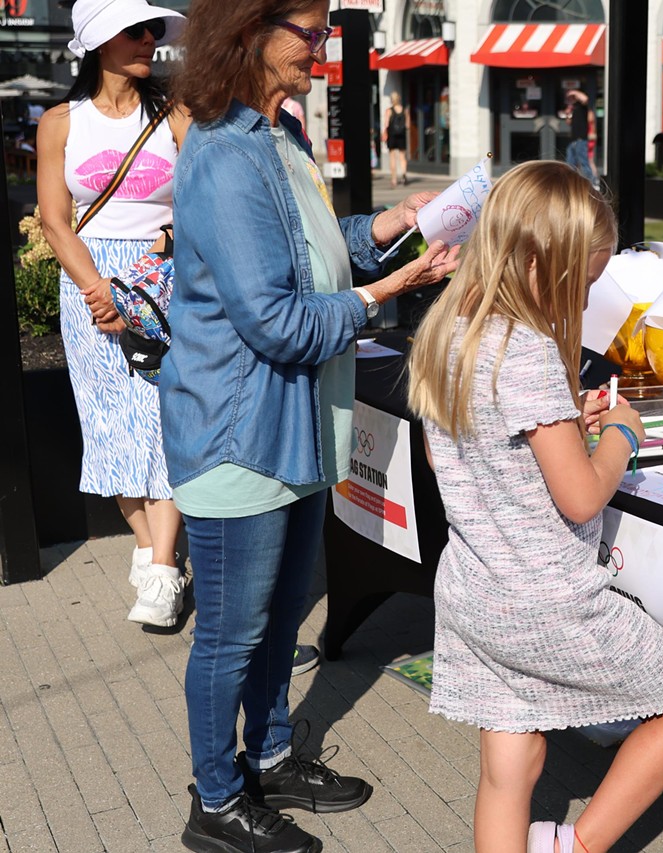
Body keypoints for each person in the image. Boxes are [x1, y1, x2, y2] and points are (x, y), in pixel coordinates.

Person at [164, 2, 460, 851]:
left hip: (293, 434)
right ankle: (215, 800)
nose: (322, 44)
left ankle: (271, 755)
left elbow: (318, 252)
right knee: (230, 633)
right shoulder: (222, 155)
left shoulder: (281, 136)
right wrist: (383, 295)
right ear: (248, 31)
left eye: (326, 27)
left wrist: (395, 227)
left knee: (281, 614)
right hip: (238, 438)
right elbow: (274, 320)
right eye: (309, 27)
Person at [406, 160, 663, 853]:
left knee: (508, 766)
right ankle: (578, 845)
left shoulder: (448, 329)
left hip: (473, 589)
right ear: (539, 265)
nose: (582, 296)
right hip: (544, 597)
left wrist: (556, 424)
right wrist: (620, 435)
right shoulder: (525, 351)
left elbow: (447, 455)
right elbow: (581, 495)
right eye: (580, 281)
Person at [37, 0, 191, 629]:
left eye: (154, 29)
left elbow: (203, 193)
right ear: (101, 42)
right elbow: (54, 219)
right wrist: (98, 289)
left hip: (161, 279)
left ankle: (160, 569)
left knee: (163, 418)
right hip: (87, 279)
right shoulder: (59, 122)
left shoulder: (174, 111)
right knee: (109, 424)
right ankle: (149, 549)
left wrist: (174, 237)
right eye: (136, 30)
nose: (150, 39)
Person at [564, 87, 593, 183]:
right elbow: (568, 122)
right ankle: (571, 183)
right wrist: (568, 114)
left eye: (572, 97)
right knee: (570, 164)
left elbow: (585, 99)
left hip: (581, 139)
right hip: (573, 140)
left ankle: (590, 184)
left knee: (584, 162)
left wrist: (574, 92)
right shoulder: (573, 108)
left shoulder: (582, 106)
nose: (570, 99)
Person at [383, 90, 409, 187]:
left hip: (392, 135)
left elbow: (386, 124)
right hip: (402, 135)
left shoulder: (389, 111)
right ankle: (404, 174)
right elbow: (407, 125)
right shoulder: (404, 110)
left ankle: (394, 179)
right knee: (402, 156)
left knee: (392, 157)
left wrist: (384, 133)